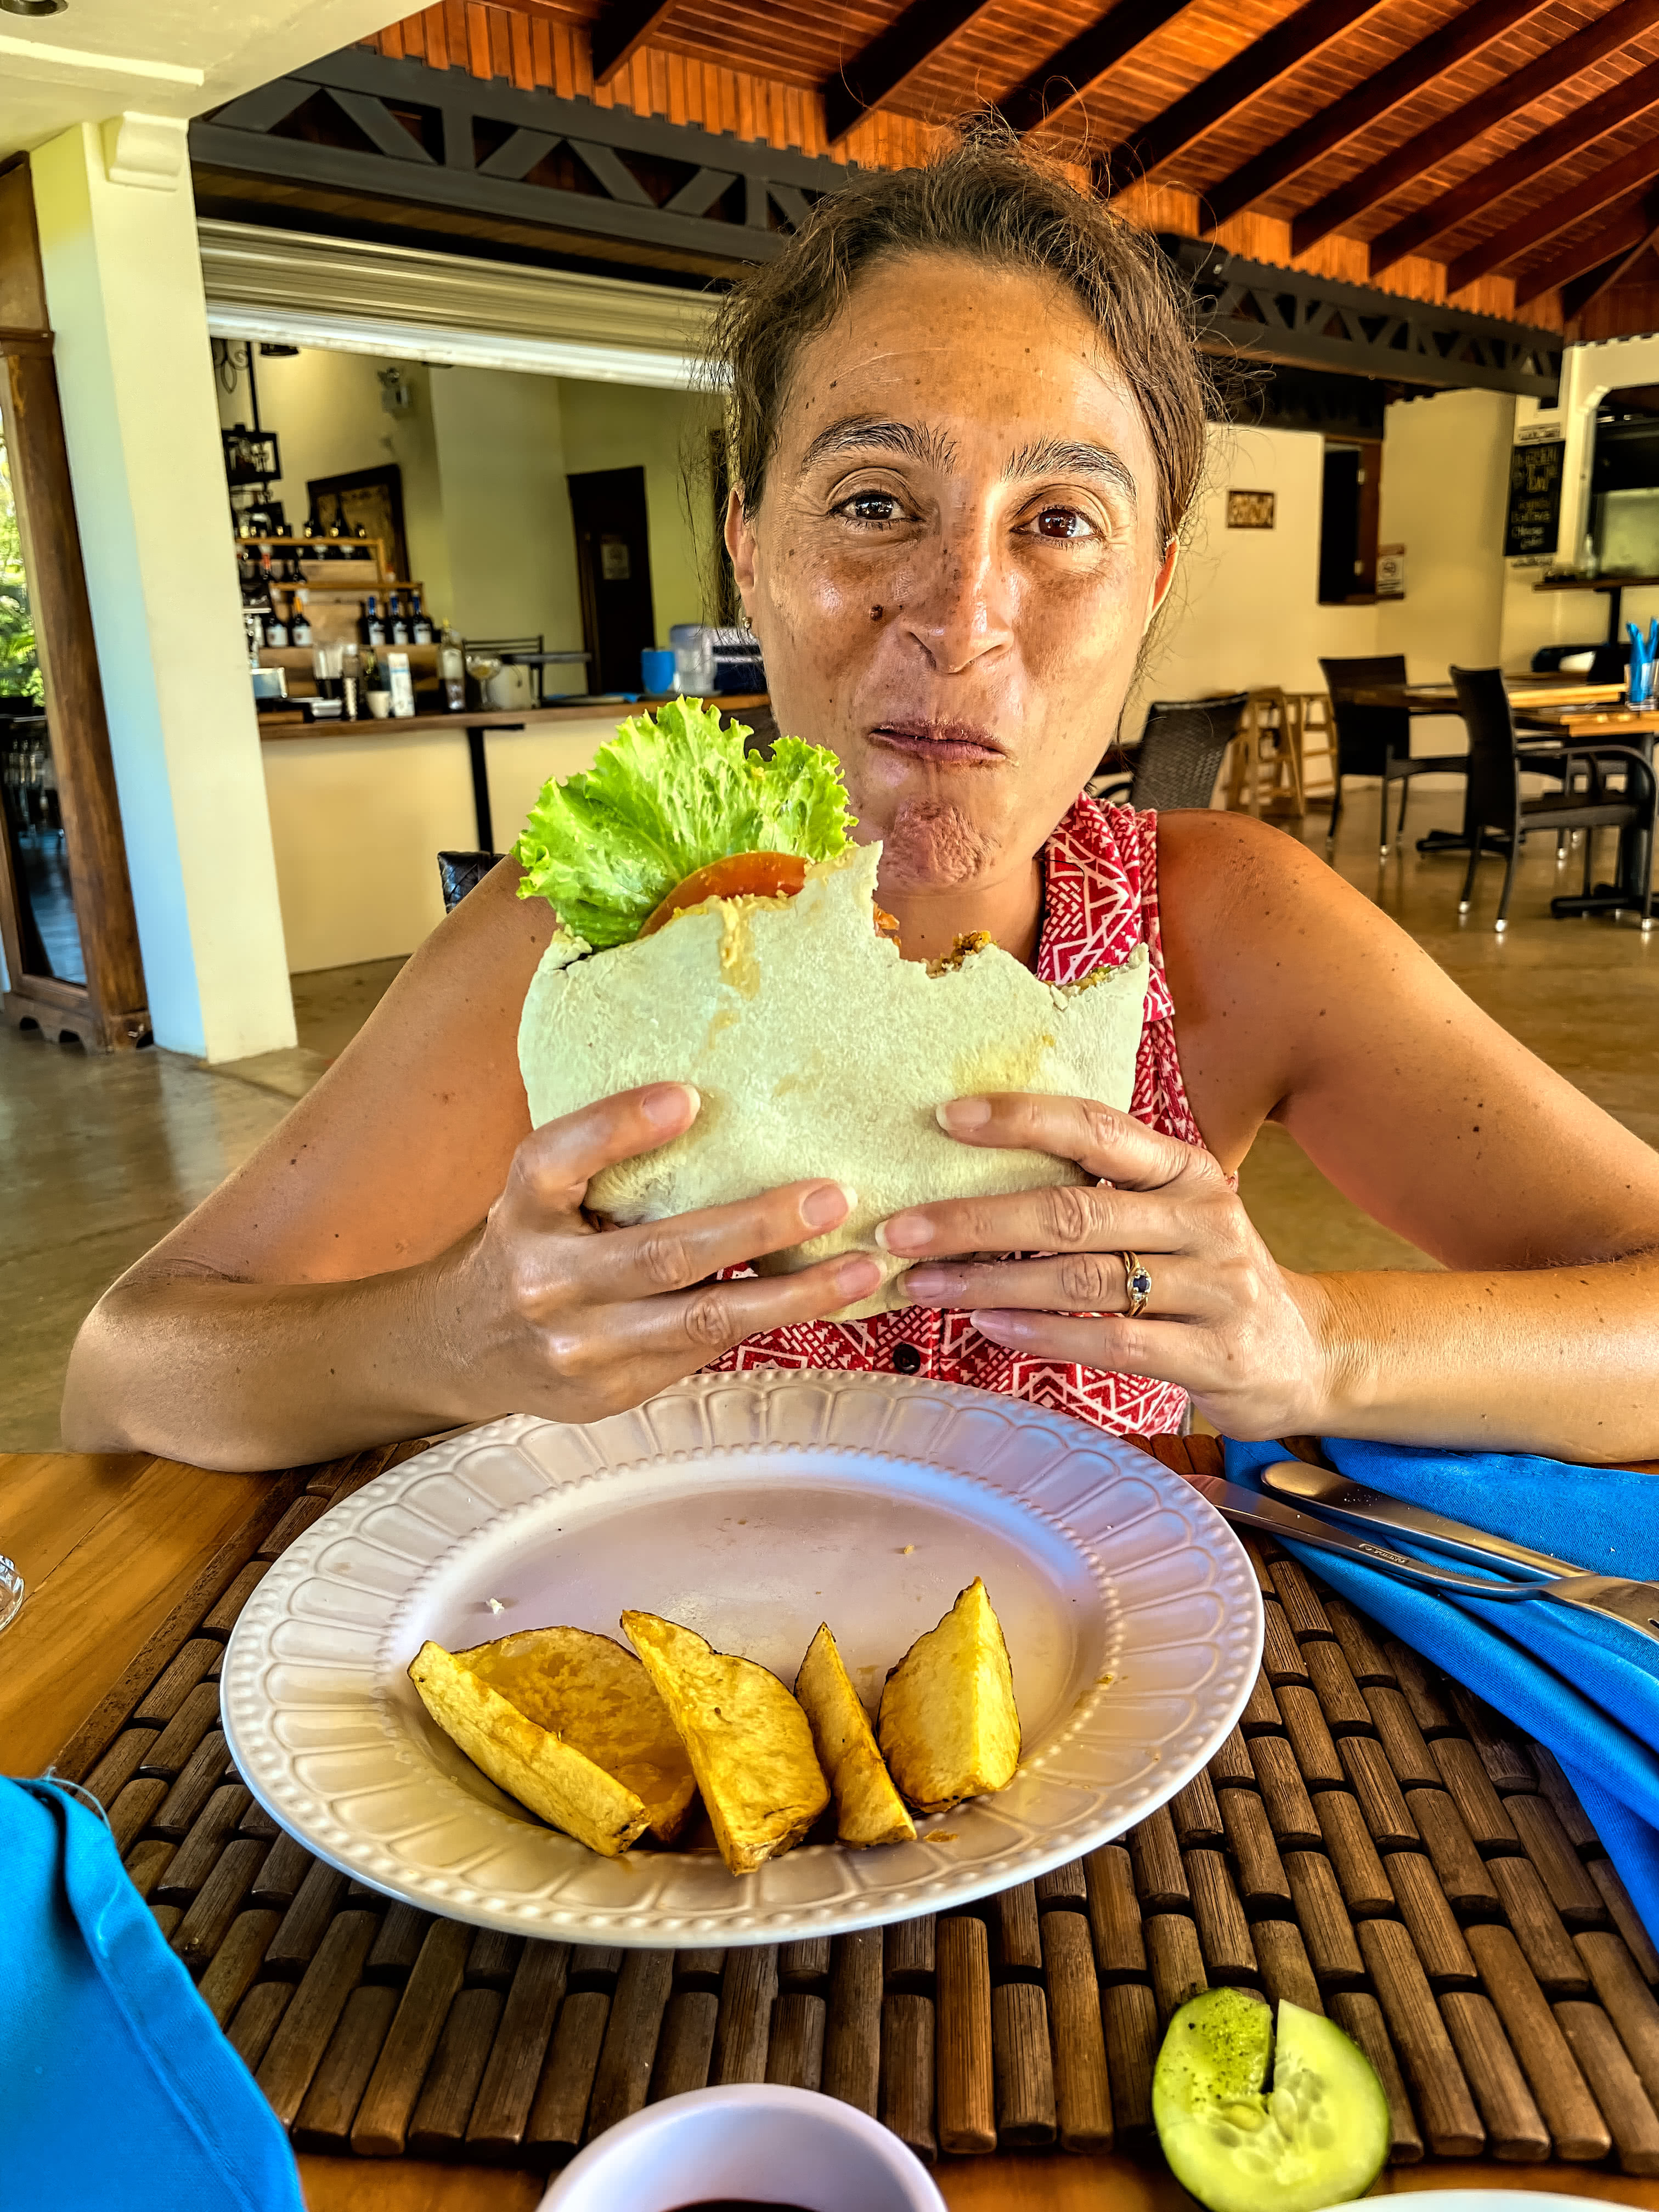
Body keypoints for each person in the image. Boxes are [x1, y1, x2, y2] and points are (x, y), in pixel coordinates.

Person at [64, 138, 1659, 1472]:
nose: (962, 616)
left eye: (1060, 521)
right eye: (877, 502)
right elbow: (129, 1370)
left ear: (1153, 584)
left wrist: (1313, 1342)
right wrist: (448, 1335)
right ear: (752, 548)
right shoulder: (601, 939)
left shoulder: (1213, 925)